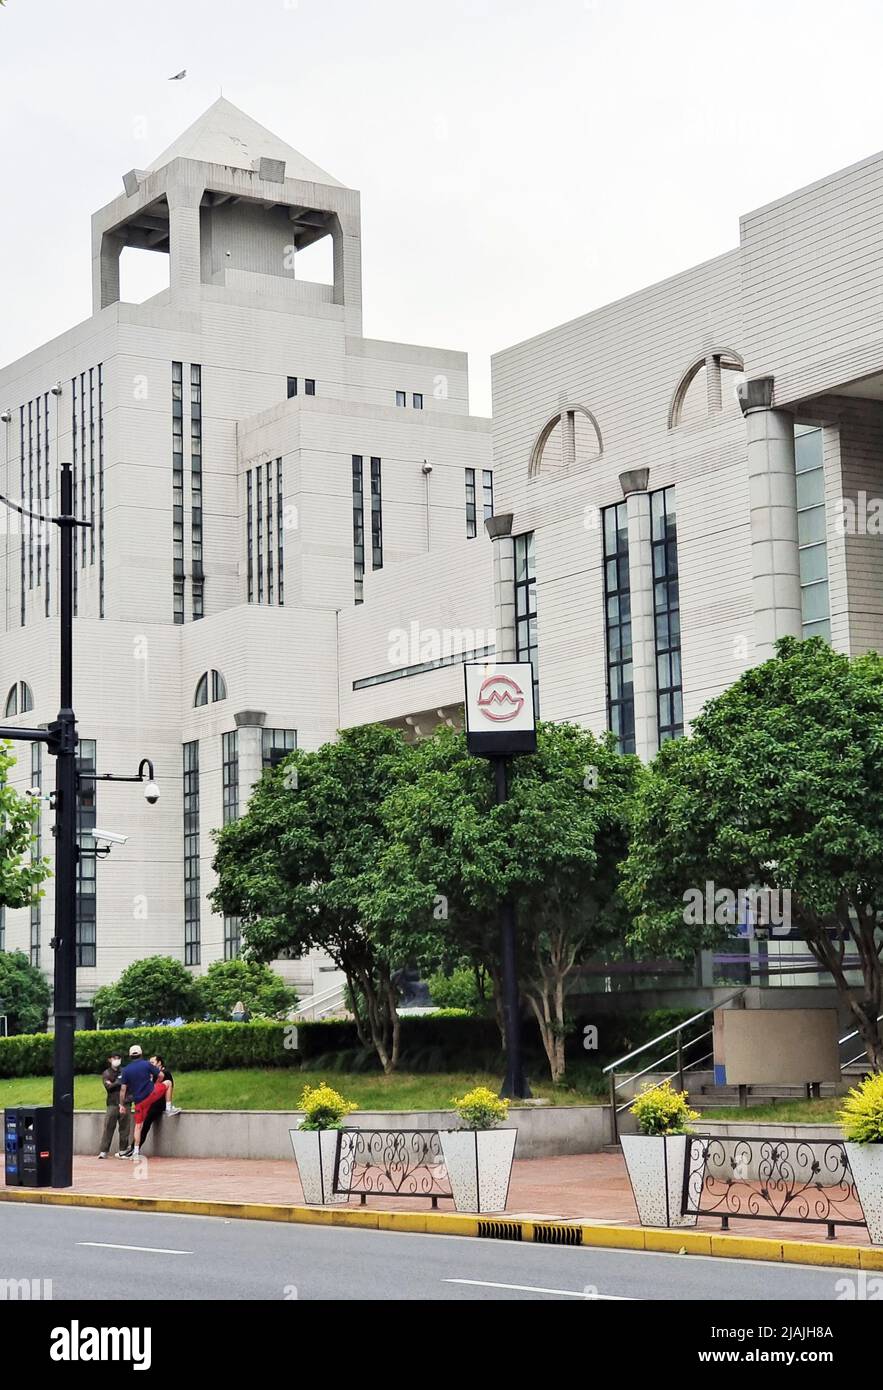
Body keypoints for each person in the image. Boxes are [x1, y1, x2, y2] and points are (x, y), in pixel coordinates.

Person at [117, 1044, 162, 1160]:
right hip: (152, 1095)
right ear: (141, 1053)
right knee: (167, 1084)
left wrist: (121, 1105)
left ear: (130, 1056)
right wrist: (156, 1083)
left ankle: (136, 1151)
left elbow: (123, 1090)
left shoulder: (126, 1070)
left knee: (138, 1126)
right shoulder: (147, 1064)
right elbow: (161, 1075)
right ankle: (168, 1105)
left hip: (139, 1101)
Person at [139, 1055, 182, 1151]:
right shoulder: (153, 1074)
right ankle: (133, 1148)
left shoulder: (164, 1074)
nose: (150, 1065)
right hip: (151, 1104)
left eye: (153, 1062)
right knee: (143, 1126)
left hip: (157, 1105)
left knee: (144, 1126)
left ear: (159, 1063)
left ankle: (134, 1149)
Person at [98, 1052, 131, 1158]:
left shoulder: (125, 1071)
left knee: (125, 1128)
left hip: (125, 1103)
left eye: (118, 1058)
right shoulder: (106, 1073)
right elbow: (109, 1086)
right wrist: (119, 1082)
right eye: (114, 1058)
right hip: (112, 1103)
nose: (117, 1060)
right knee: (108, 1127)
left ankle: (123, 1150)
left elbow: (129, 1086)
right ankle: (103, 1151)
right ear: (110, 1060)